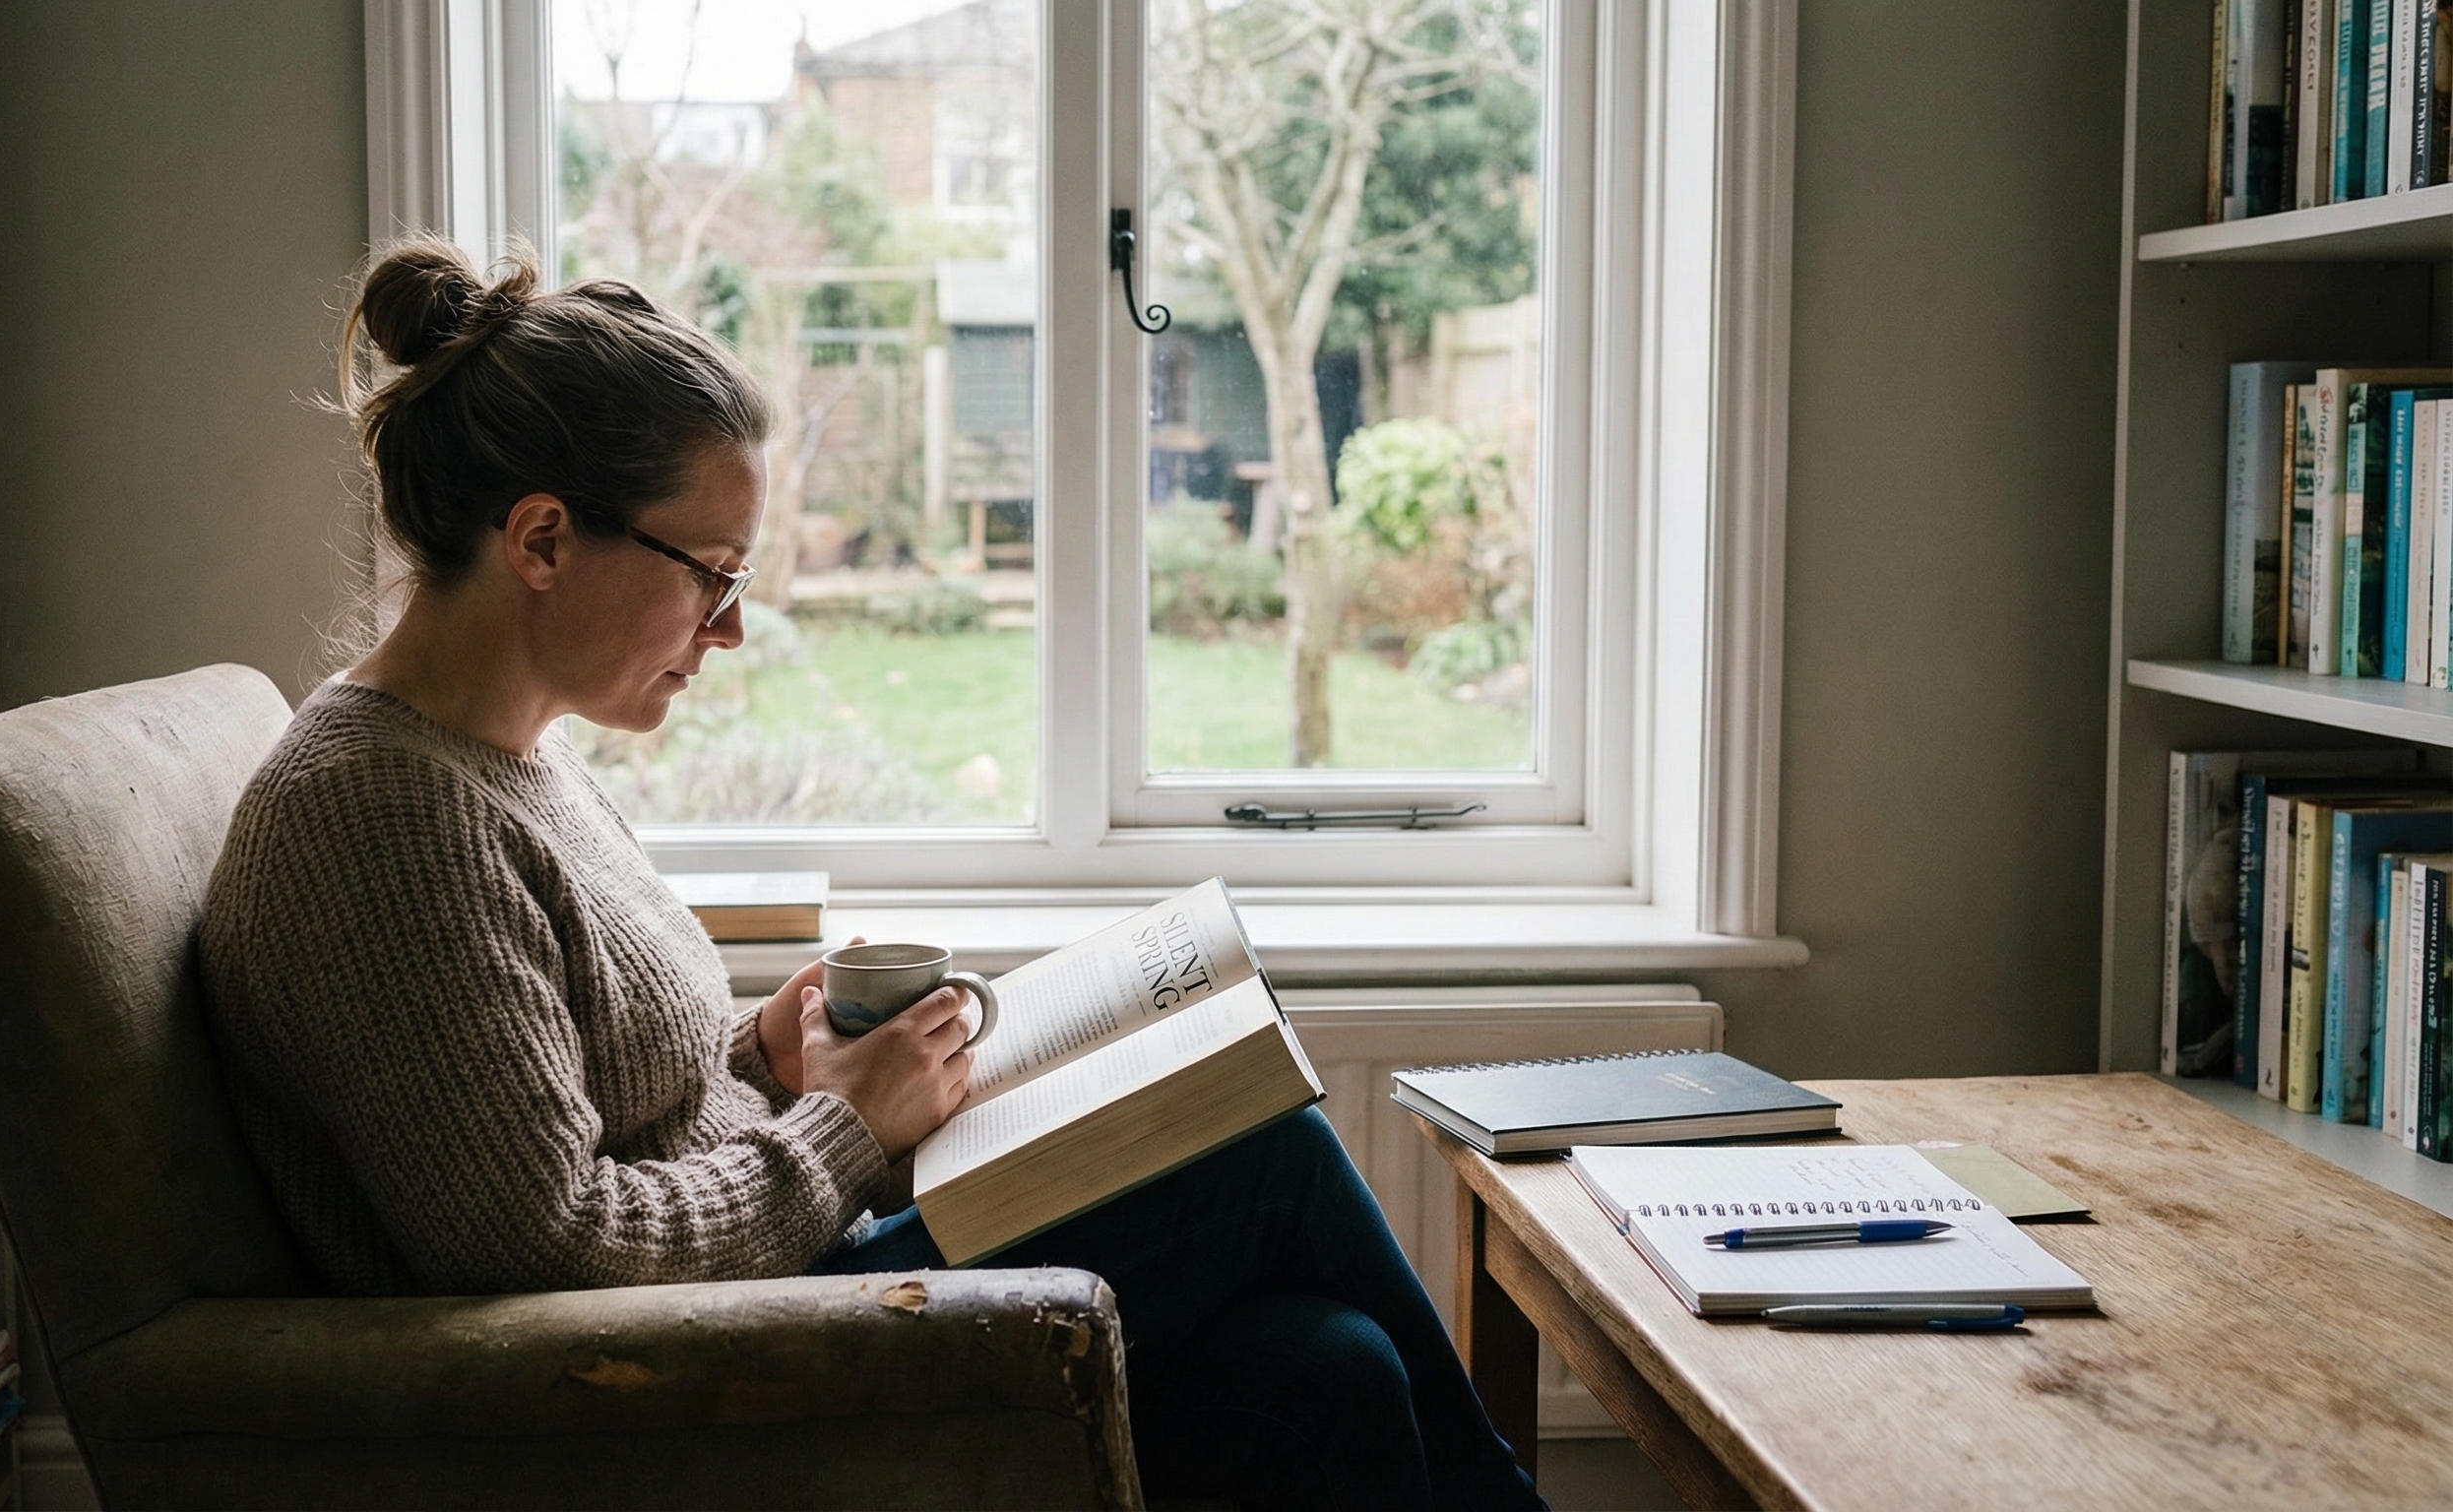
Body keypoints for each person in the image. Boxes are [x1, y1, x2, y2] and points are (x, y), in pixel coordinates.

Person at [198, 237, 1544, 1512]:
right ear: (541, 539)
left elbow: (576, 1094)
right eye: (710, 575)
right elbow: (550, 1254)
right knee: (1268, 1153)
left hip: (759, 1293)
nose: (729, 630)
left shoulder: (510, 760)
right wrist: (847, 1130)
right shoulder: (376, 817)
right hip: (677, 1387)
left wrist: (764, 1059)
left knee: (1337, 1375)